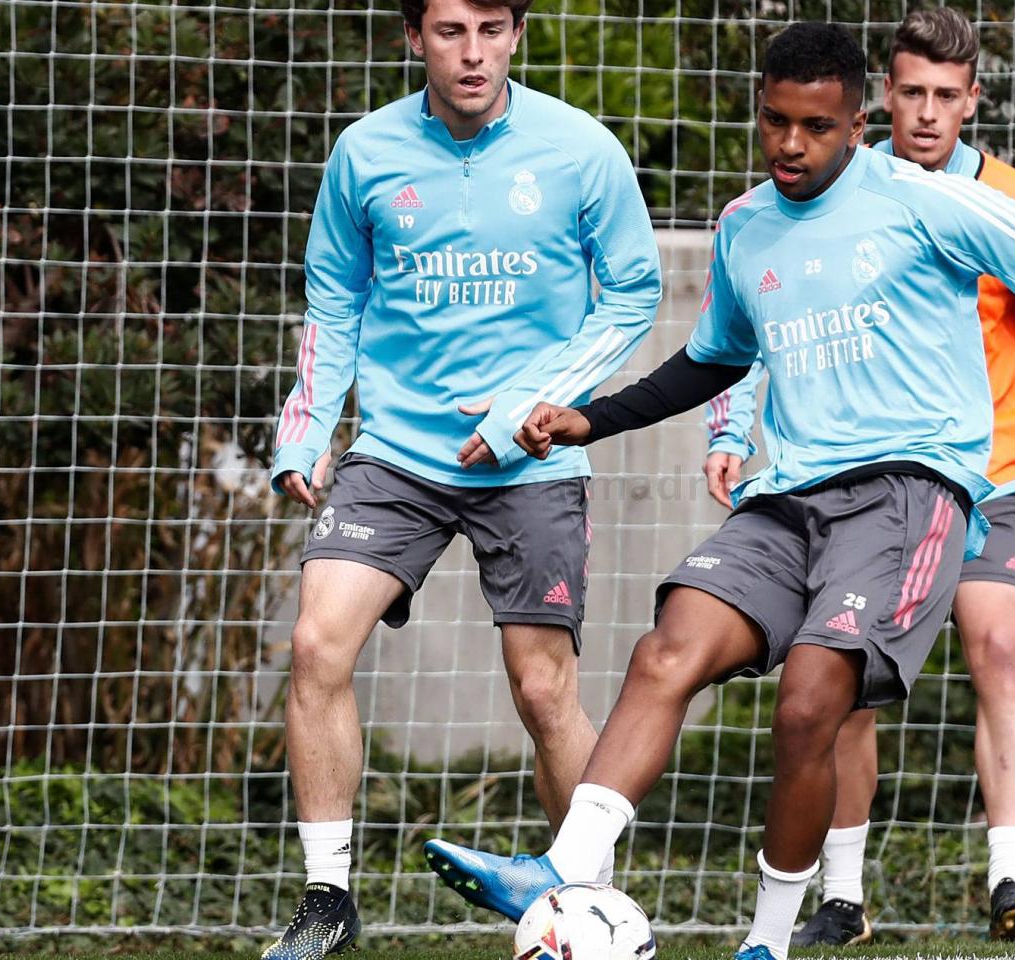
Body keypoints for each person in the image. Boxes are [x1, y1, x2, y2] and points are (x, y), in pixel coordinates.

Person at [424, 22, 1015, 960]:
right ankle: (564, 866)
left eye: (816, 127)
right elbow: (712, 361)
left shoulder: (928, 201)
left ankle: (769, 941)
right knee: (666, 649)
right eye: (775, 122)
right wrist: (587, 419)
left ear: (857, 124)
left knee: (810, 702)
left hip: (909, 493)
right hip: (788, 499)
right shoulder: (745, 225)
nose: (792, 145)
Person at [699, 7, 1015, 943]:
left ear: (973, 100)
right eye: (911, 93)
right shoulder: (832, 189)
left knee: (997, 646)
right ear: (880, 101)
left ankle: (1010, 879)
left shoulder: (1008, 198)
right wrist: (730, 427)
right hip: (859, 487)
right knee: (842, 679)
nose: (927, 113)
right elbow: (761, 323)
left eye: (946, 95)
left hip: (989, 481)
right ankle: (843, 898)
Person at [263, 0, 661, 952]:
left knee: (543, 691)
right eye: (450, 31)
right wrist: (306, 429)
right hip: (397, 454)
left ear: (517, 33)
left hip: (533, 457)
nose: (472, 53)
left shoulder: (582, 149)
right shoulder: (364, 153)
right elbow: (334, 300)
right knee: (317, 645)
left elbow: (633, 293)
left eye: (491, 29)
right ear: (415, 37)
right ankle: (327, 902)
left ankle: (589, 911)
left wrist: (532, 404)